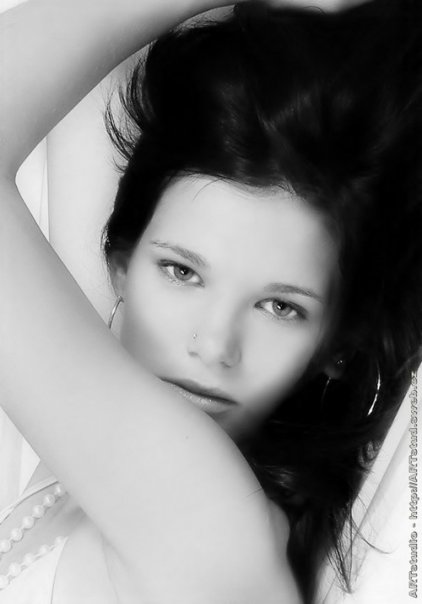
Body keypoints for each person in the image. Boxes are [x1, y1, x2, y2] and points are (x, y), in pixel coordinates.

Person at [0, 0, 420, 603]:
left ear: (335, 346)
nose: (214, 344)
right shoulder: (113, 441)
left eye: (281, 307)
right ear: (120, 266)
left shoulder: (203, 522)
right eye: (182, 272)